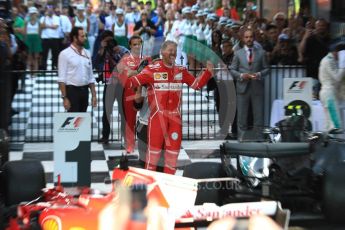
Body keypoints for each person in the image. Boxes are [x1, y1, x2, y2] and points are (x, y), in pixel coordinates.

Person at [123, 40, 214, 174]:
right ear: (162, 52)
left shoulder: (181, 70)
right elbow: (131, 82)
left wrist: (208, 72)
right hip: (156, 119)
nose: (173, 53)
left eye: (175, 50)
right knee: (152, 158)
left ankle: (168, 187)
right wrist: (129, 73)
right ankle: (151, 187)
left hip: (175, 120)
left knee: (172, 157)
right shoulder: (152, 69)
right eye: (170, 50)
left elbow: (196, 85)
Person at [230, 28, 269, 141]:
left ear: (254, 38)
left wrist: (259, 74)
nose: (249, 39)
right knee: (242, 115)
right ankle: (241, 138)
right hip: (243, 88)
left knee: (258, 115)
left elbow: (267, 69)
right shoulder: (238, 53)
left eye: (251, 37)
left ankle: (259, 138)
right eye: (246, 37)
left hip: (257, 87)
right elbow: (232, 70)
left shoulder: (261, 53)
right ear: (243, 39)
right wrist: (241, 76)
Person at [92, 30, 129, 144]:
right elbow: (95, 63)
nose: (109, 43)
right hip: (109, 84)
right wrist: (102, 49)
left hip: (121, 84)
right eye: (106, 40)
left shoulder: (121, 49)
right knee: (106, 111)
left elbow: (130, 61)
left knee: (123, 111)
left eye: (110, 40)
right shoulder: (101, 51)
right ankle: (105, 136)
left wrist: (119, 53)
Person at [117, 35, 151, 153]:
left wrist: (134, 72)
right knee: (129, 120)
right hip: (129, 93)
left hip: (144, 94)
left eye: (139, 44)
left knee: (146, 119)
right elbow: (125, 75)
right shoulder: (125, 59)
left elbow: (150, 75)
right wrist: (139, 71)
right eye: (134, 44)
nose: (137, 46)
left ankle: (147, 142)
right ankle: (130, 145)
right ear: (130, 46)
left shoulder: (147, 59)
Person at [58, 27, 97, 112]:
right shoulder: (64, 54)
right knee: (73, 120)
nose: (85, 38)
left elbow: (90, 76)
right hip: (72, 91)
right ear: (75, 38)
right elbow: (61, 79)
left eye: (85, 36)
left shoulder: (87, 53)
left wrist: (94, 95)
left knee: (83, 120)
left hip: (85, 91)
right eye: (82, 36)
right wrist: (65, 98)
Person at [319, 43, 345, 131]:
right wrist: (343, 67)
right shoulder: (328, 60)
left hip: (328, 92)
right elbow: (337, 77)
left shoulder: (330, 60)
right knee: (335, 126)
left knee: (329, 124)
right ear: (337, 52)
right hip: (329, 92)